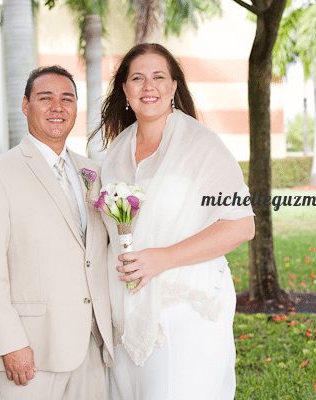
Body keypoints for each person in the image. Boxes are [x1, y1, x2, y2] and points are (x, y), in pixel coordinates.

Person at [92, 43, 255, 399]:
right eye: (138, 78)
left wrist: (162, 258)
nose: (148, 86)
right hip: (126, 313)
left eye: (158, 77)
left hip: (184, 310)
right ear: (125, 90)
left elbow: (241, 225)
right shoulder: (115, 152)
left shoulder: (201, 145)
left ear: (173, 87)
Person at [0, 65, 113, 400]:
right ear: (25, 105)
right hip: (31, 348)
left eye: (67, 98)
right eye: (46, 98)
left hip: (90, 344)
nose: (58, 107)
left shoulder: (92, 172)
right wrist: (9, 342)